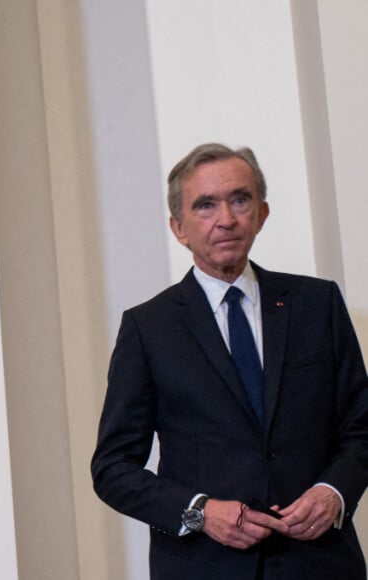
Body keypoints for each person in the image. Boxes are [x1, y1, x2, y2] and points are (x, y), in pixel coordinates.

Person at [91, 143, 368, 579]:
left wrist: (334, 491)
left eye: (240, 200)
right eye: (205, 205)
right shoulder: (148, 328)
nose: (226, 218)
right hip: (204, 566)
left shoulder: (319, 305)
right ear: (178, 227)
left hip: (321, 563)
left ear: (262, 213)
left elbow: (361, 427)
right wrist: (199, 512)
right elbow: (112, 468)